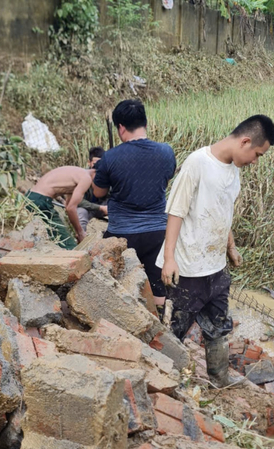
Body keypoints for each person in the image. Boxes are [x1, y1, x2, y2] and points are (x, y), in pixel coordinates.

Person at [157, 115, 274, 388]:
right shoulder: (197, 163)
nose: (255, 162)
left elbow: (224, 213)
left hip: (215, 267)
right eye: (257, 154)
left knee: (219, 326)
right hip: (186, 267)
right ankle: (166, 381)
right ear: (245, 141)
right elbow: (176, 212)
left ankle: (219, 380)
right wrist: (169, 258)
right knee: (174, 328)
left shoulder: (233, 171)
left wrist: (231, 247)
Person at [92, 100, 176, 316]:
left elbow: (98, 193)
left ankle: (123, 324)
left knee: (117, 284)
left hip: (121, 234)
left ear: (120, 127)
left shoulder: (110, 157)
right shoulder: (166, 152)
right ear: (145, 123)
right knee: (158, 287)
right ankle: (161, 330)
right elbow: (164, 180)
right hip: (157, 232)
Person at [20, 166, 96, 250]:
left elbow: (68, 206)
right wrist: (80, 233)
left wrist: (76, 231)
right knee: (68, 245)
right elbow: (70, 209)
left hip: (32, 197)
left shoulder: (78, 173)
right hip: (41, 201)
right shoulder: (86, 178)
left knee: (55, 235)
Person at [77, 146, 108, 232]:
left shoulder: (107, 174)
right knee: (81, 213)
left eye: (100, 163)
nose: (97, 167)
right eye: (95, 163)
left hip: (104, 206)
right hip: (87, 208)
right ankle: (81, 239)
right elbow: (79, 201)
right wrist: (99, 207)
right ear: (89, 162)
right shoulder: (82, 176)